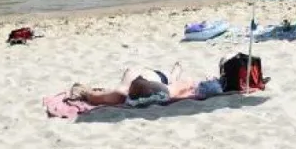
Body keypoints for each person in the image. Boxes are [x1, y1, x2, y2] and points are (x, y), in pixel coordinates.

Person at [70, 66, 199, 106]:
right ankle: (176, 70)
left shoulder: (124, 90)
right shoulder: (165, 82)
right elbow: (186, 82)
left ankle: (176, 71)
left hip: (146, 81)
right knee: (176, 81)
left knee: (128, 79)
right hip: (157, 82)